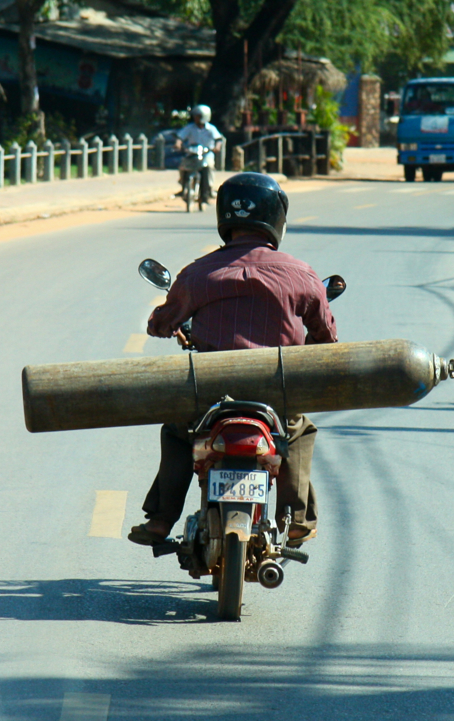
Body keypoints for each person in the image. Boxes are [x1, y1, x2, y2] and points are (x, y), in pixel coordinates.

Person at [129, 172, 338, 550]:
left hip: (210, 394)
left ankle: (161, 521)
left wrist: (166, 327)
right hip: (277, 395)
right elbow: (327, 338)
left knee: (177, 431)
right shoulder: (303, 275)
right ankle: (298, 521)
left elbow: (160, 323)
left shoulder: (198, 273)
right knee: (298, 430)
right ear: (277, 219)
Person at [175, 104, 223, 204]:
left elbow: (218, 139)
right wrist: (178, 144)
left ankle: (208, 190)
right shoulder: (190, 128)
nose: (196, 118)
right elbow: (180, 137)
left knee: (209, 167)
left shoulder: (211, 128)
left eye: (198, 116)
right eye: (195, 116)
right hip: (192, 152)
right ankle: (183, 184)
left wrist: (217, 147)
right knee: (183, 166)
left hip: (206, 154)